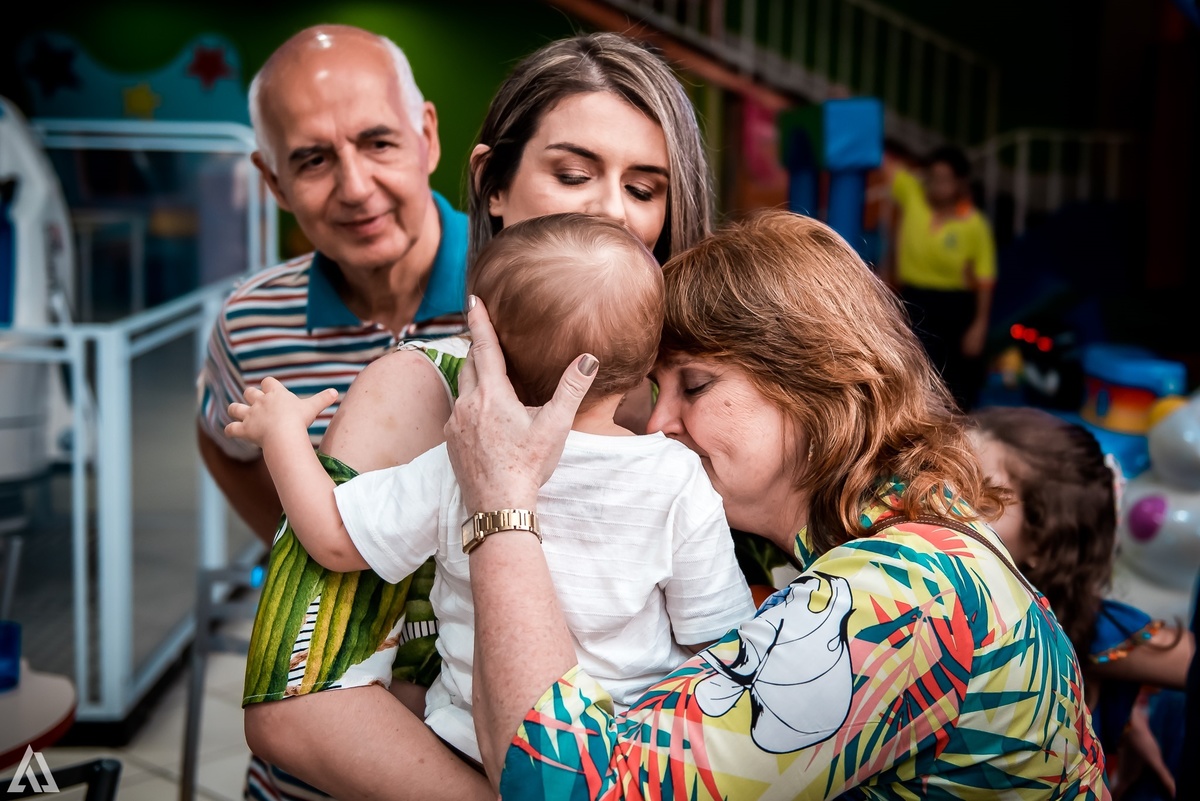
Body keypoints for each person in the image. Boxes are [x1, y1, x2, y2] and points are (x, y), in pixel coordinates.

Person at [438, 209, 1107, 797]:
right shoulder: (885, 548)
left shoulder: (904, 591)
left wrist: (501, 499)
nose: (657, 423)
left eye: (694, 385)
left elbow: (576, 790)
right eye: (655, 387)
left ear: (813, 380)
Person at [241, 32, 725, 800]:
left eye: (644, 188)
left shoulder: (705, 395)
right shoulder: (420, 388)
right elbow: (292, 702)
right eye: (572, 174)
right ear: (493, 185)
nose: (609, 211)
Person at [227, 213, 754, 765]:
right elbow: (718, 642)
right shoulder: (677, 476)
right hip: (622, 754)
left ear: (487, 354)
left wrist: (283, 435)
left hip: (469, 744)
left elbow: (332, 538)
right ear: (650, 360)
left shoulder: (463, 464)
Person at [192, 24, 472, 800]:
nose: (354, 187)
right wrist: (309, 536)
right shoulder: (250, 323)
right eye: (313, 160)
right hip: (310, 772)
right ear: (273, 182)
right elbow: (219, 438)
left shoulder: (526, 287)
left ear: (427, 136)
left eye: (378, 142)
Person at [968, 406, 1194, 798]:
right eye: (942, 482)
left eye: (984, 502)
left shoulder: (1083, 631)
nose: (947, 510)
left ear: (1045, 540)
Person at [885, 145, 996, 411]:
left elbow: (985, 279)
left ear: (959, 182)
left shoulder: (974, 224)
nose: (938, 185)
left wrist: (979, 326)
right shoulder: (913, 196)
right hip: (914, 298)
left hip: (956, 307)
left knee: (957, 381)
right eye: (933, 177)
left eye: (945, 179)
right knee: (915, 373)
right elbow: (885, 162)